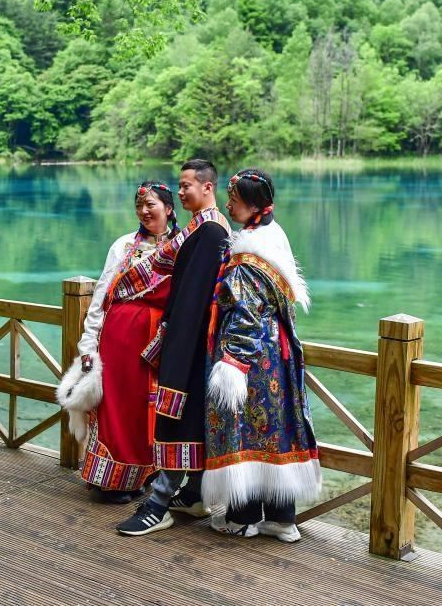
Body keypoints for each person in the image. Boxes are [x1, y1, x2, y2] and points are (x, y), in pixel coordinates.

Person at [202, 169, 321, 542]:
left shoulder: (248, 252)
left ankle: (244, 517)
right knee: (276, 426)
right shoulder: (274, 234)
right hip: (277, 349)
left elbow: (247, 313)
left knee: (245, 427)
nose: (227, 205)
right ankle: (283, 519)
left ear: (253, 204)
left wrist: (232, 361)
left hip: (249, 354)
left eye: (234, 200)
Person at [116, 159, 230, 536]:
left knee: (177, 415)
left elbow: (193, 297)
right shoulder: (202, 226)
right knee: (191, 416)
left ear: (207, 187)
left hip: (192, 341)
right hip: (191, 338)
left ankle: (159, 504)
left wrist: (175, 346)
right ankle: (194, 494)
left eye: (186, 186)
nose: (180, 192)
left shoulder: (210, 231)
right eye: (178, 186)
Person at [57, 181, 180, 504]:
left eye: (151, 205)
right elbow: (101, 297)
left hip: (156, 343)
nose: (144, 211)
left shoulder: (182, 248)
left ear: (169, 209)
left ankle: (144, 475)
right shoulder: (124, 246)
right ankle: (110, 481)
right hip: (118, 341)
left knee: (147, 408)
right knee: (115, 408)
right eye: (139, 206)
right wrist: (88, 346)